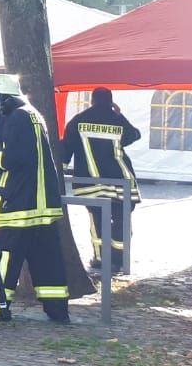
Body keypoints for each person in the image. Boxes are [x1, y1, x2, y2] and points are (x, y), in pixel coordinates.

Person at [0, 73, 70, 323]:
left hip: (18, 205)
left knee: (5, 257)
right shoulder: (32, 114)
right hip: (42, 206)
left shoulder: (16, 118)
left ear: (5, 99)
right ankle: (57, 311)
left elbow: (14, 156)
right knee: (48, 260)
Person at [59, 87, 142, 273]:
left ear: (92, 100)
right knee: (121, 221)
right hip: (122, 181)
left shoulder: (78, 121)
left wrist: (60, 175)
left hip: (91, 183)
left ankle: (100, 259)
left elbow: (66, 150)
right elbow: (134, 135)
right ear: (111, 101)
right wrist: (119, 115)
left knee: (97, 221)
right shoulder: (116, 120)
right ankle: (119, 260)